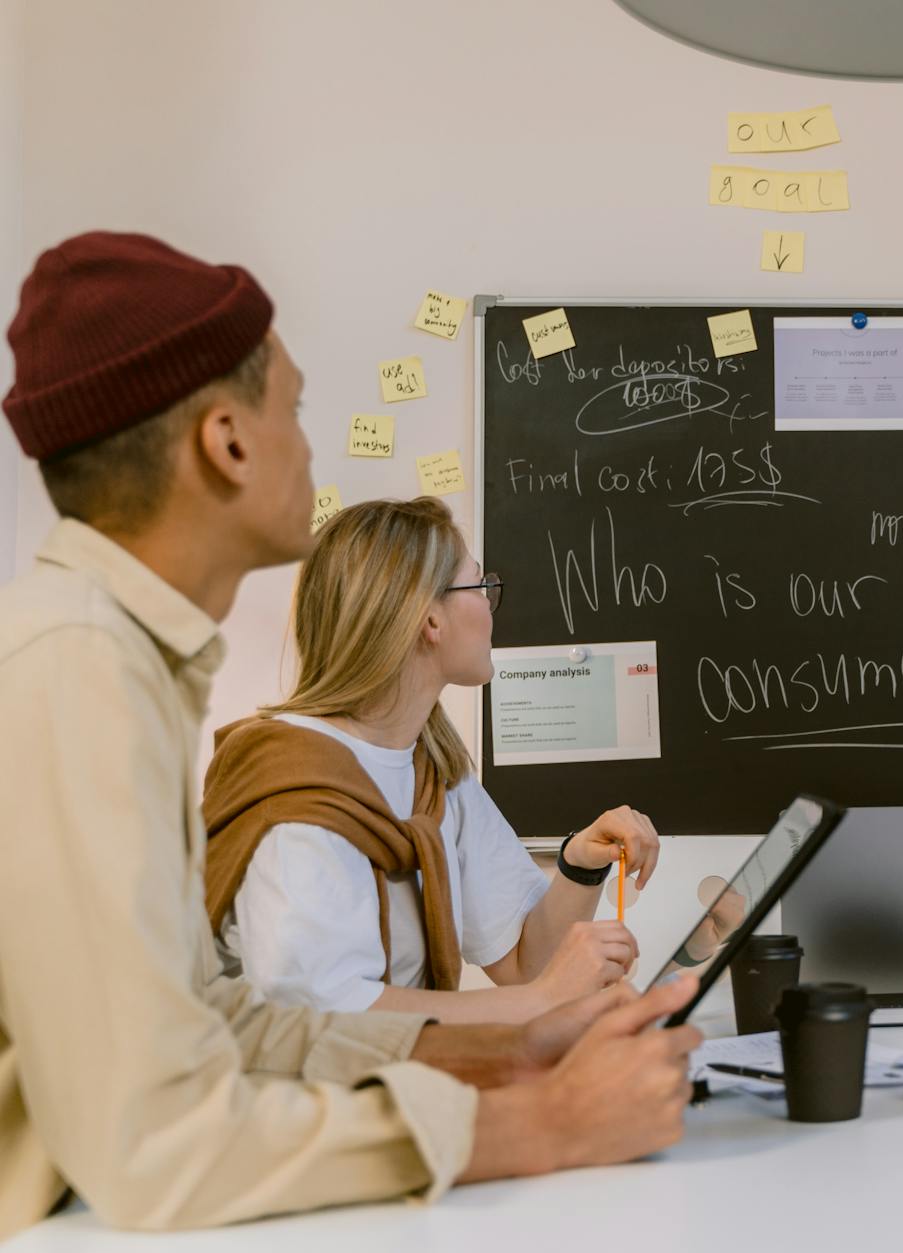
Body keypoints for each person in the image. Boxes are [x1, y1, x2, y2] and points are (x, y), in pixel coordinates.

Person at [0, 231, 699, 1238]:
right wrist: (533, 1122)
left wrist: (512, 1052)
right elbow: (160, 1147)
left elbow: (224, 1021)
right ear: (228, 441)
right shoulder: (78, 674)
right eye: (293, 407)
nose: (308, 446)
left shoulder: (125, 662)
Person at [204, 496, 659, 1023]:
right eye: (478, 584)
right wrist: (540, 1002)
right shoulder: (292, 781)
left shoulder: (434, 772)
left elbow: (524, 963)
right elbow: (318, 1013)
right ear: (429, 620)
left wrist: (580, 865)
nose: (491, 602)